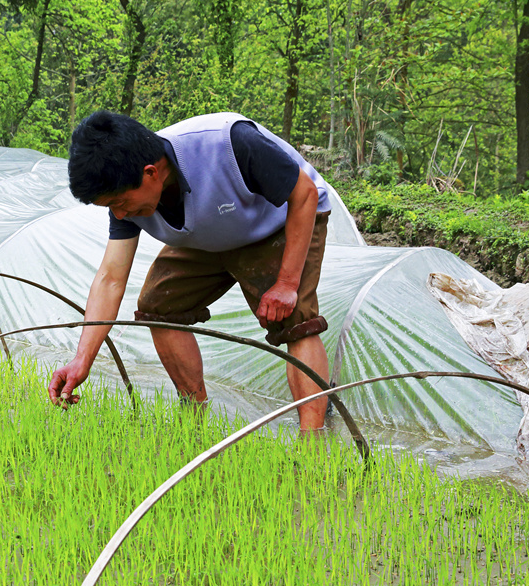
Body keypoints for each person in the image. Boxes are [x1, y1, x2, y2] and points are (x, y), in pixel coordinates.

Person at [47, 110, 333, 432]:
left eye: (119, 202)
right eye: (110, 207)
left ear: (151, 173)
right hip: (208, 231)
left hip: (280, 221)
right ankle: (195, 422)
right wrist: (82, 360)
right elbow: (111, 277)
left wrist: (286, 283)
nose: (120, 213)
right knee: (159, 305)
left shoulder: (229, 143)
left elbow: (304, 194)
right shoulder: (127, 198)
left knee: (294, 319)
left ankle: (313, 443)